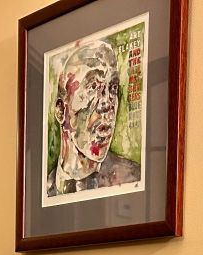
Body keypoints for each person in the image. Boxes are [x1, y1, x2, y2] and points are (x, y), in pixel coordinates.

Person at [47, 40, 141, 198]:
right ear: (61, 111)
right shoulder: (42, 190)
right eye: (93, 87)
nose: (107, 103)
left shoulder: (133, 178)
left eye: (113, 88)